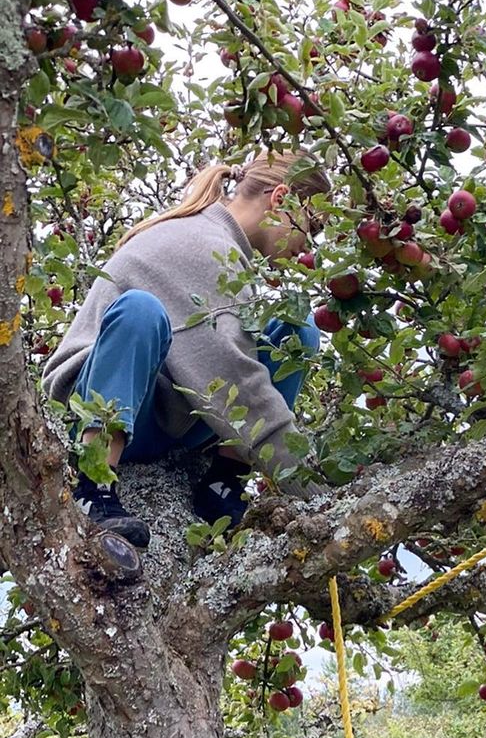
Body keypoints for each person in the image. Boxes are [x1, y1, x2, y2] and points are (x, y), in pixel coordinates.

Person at [42, 150, 333, 548]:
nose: (305, 247)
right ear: (280, 200)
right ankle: (93, 488)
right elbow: (234, 381)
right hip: (102, 404)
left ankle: (222, 485)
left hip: (166, 415)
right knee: (139, 311)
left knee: (297, 327)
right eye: (310, 226)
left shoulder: (231, 253)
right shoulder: (201, 243)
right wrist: (320, 500)